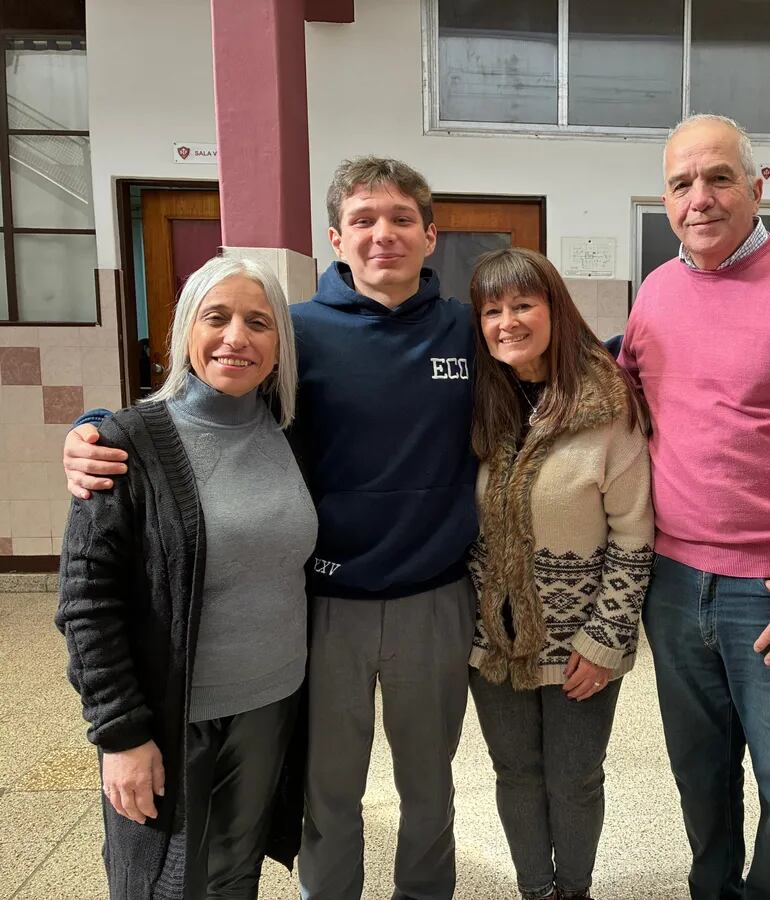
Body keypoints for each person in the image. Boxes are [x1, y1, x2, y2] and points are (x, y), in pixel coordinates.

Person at [62, 157, 477, 900]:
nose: (383, 234)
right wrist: (96, 430)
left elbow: (561, 366)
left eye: (401, 219)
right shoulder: (298, 333)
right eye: (363, 220)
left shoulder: (467, 331)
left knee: (430, 790)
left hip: (434, 599)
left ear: (430, 234)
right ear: (335, 238)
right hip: (323, 605)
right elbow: (199, 405)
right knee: (328, 796)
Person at [618, 114, 770, 899]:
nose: (701, 198)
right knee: (699, 770)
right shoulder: (657, 291)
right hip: (672, 576)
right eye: (682, 183)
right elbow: (623, 407)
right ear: (665, 200)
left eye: (719, 177)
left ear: (758, 187)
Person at [56, 256, 317, 900]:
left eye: (259, 322)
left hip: (271, 704)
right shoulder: (125, 445)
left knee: (234, 872)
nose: (237, 338)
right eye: (217, 317)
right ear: (184, 333)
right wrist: (120, 735)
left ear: (279, 343)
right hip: (177, 719)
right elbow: (87, 603)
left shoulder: (291, 433)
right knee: (166, 884)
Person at [464, 248, 654, 900]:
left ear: (555, 310)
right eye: (492, 310)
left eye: (522, 305)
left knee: (574, 777)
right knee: (515, 771)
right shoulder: (479, 401)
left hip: (581, 640)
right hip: (493, 638)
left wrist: (605, 640)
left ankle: (573, 890)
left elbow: (634, 533)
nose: (508, 322)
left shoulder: (606, 406)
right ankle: (535, 890)